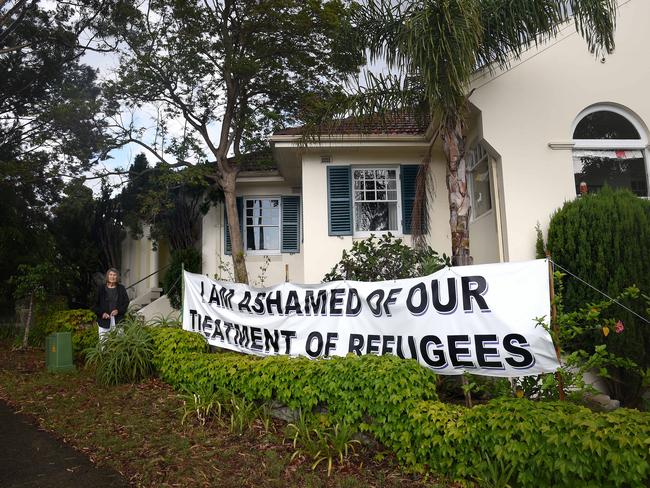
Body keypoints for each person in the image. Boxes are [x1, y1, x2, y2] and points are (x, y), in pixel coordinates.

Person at [93, 268, 130, 341]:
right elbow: (94, 305)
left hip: (118, 319)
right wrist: (102, 313)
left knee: (120, 342)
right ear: (107, 276)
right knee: (103, 342)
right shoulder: (101, 289)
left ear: (117, 277)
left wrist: (118, 311)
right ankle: (104, 352)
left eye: (114, 275)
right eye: (110, 275)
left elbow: (126, 302)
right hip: (104, 320)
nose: (112, 277)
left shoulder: (121, 288)